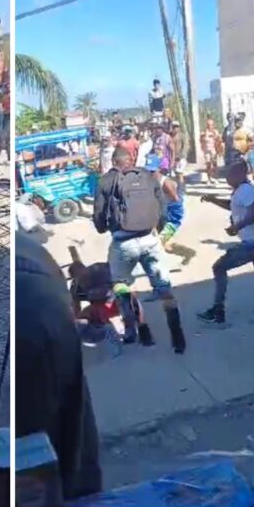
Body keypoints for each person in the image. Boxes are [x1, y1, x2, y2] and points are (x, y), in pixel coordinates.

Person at [14, 231, 102, 502]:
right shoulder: (28, 244)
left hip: (32, 311)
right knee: (70, 421)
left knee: (33, 455)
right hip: (42, 296)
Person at [93, 146, 186, 353]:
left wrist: (105, 227)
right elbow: (162, 208)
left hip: (123, 244)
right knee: (164, 289)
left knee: (121, 285)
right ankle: (178, 338)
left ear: (113, 162)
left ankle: (132, 331)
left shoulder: (105, 181)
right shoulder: (146, 176)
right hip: (150, 241)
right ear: (131, 159)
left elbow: (99, 218)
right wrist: (155, 229)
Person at [198, 162, 254, 325]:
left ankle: (217, 310)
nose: (226, 178)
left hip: (252, 243)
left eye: (229, 174)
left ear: (240, 174)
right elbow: (232, 206)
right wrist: (213, 199)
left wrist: (237, 226)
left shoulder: (247, 191)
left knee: (219, 267)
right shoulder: (240, 191)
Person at [201, 117, 222, 183]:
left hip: (214, 150)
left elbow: (219, 140)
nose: (210, 126)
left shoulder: (215, 132)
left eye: (211, 124)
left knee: (214, 164)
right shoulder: (204, 132)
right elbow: (201, 141)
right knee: (208, 165)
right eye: (208, 125)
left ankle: (215, 178)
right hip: (207, 150)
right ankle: (209, 179)